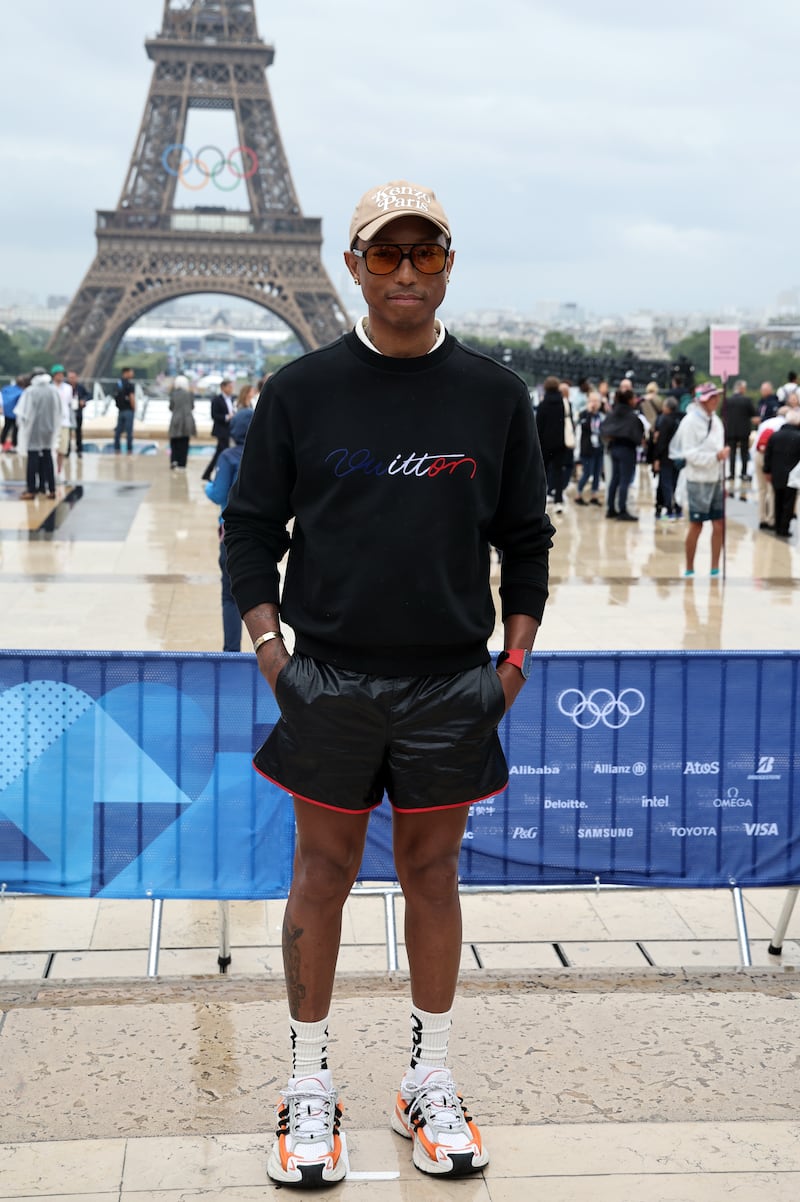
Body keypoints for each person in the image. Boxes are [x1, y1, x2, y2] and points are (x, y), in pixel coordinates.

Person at [223, 178, 555, 1188]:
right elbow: (247, 528)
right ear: (352, 264)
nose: (405, 271)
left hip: (452, 680)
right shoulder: (300, 389)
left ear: (447, 261)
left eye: (424, 253)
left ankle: (428, 1074)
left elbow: (526, 538)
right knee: (319, 874)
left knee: (432, 875)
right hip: (328, 676)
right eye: (385, 254)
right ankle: (307, 1080)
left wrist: (510, 665)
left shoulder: (493, 395)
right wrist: (276, 658)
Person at [205, 407, 254, 650]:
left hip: (232, 536)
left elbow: (218, 494)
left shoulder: (228, 456)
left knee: (230, 596)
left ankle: (232, 652)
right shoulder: (264, 456)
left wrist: (207, 487)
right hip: (259, 536)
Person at [671, 382, 728, 576]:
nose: (716, 401)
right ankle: (689, 566)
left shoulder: (717, 421)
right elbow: (689, 454)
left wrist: (722, 474)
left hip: (715, 478)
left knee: (719, 523)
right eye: (712, 397)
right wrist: (714, 458)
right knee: (697, 524)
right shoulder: (690, 422)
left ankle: (715, 566)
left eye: (717, 397)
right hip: (697, 479)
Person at [15, 367, 61, 499]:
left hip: (33, 430)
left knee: (33, 460)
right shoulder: (53, 390)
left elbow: (23, 412)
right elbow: (59, 411)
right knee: (47, 458)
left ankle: (31, 489)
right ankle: (50, 488)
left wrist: (23, 429)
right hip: (49, 430)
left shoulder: (31, 391)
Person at [600, 386, 644, 521]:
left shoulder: (612, 414)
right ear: (630, 400)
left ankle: (611, 508)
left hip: (613, 448)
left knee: (614, 479)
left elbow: (603, 429)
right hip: (627, 449)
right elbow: (638, 436)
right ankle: (622, 510)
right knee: (625, 480)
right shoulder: (632, 416)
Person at [535, 375, 573, 514]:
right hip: (560, 443)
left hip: (545, 444)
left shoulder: (543, 405)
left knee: (542, 473)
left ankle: (541, 500)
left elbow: (538, 426)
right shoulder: (564, 403)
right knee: (558, 472)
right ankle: (558, 500)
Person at [763, 408, 800, 538]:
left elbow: (768, 454)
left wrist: (767, 470)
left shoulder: (775, 435)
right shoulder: (798, 436)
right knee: (788, 503)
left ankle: (777, 526)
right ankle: (784, 528)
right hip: (792, 476)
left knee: (777, 500)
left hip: (776, 473)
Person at [723, 380, 756, 492]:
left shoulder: (728, 400)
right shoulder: (746, 400)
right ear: (741, 388)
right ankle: (743, 473)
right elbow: (753, 413)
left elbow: (724, 414)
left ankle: (732, 473)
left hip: (731, 430)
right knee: (744, 452)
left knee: (732, 453)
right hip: (743, 430)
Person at [652, 396, 682, 519]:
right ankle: (678, 509)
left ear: (668, 408)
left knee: (666, 483)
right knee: (676, 483)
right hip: (679, 456)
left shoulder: (665, 420)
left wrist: (656, 458)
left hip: (666, 456)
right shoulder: (681, 419)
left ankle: (668, 509)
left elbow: (662, 441)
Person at [202, 377, 236, 481]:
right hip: (221, 430)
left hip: (229, 429)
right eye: (229, 387)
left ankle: (209, 473)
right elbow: (214, 415)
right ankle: (217, 474)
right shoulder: (216, 400)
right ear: (223, 387)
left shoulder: (232, 399)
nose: (231, 389)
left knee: (220, 453)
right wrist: (226, 417)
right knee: (222, 452)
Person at [574, 390, 604, 505]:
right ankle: (578, 494)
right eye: (592, 401)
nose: (594, 403)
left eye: (596, 401)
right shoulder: (584, 414)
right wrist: (590, 412)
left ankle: (594, 495)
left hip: (598, 448)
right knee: (587, 473)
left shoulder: (601, 416)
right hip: (587, 448)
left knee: (597, 473)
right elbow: (584, 427)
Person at [50, 365, 74, 482]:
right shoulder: (49, 388)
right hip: (52, 422)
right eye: (58, 374)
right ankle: (52, 472)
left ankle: (59, 472)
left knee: (62, 450)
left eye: (62, 374)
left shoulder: (68, 388)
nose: (60, 376)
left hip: (64, 422)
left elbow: (69, 404)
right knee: (52, 449)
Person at [167, 374, 196, 469]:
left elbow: (171, 407)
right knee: (185, 442)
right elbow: (192, 406)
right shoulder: (189, 394)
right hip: (187, 420)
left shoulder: (174, 394)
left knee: (174, 441)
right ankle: (182, 463)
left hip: (176, 419)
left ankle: (174, 460)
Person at [66, 370, 90, 457]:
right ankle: (67, 450)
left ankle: (79, 450)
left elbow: (88, 395)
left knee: (78, 432)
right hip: (68, 413)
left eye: (73, 377)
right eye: (70, 378)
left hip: (78, 412)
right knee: (67, 432)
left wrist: (83, 400)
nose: (72, 379)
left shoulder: (80, 387)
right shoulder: (65, 387)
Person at [114, 367, 136, 453]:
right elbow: (132, 397)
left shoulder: (118, 383)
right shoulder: (129, 384)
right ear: (126, 373)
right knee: (129, 432)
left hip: (120, 410)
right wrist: (134, 408)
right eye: (131, 372)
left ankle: (117, 449)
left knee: (118, 431)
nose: (132, 374)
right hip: (128, 410)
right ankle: (129, 449)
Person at [1, 374, 26, 451]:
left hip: (6, 412)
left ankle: (1, 443)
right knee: (16, 430)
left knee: (6, 428)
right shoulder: (22, 392)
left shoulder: (7, 388)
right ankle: (14, 445)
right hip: (16, 414)